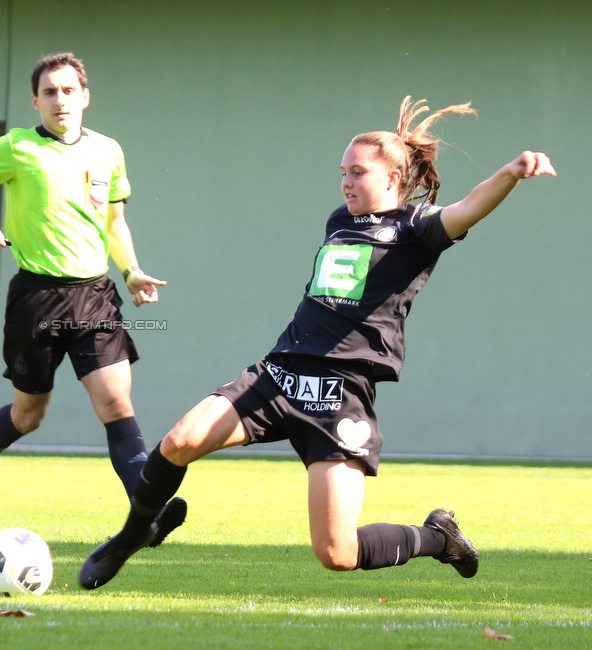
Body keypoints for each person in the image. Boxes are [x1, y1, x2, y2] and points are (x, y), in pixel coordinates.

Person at [79, 97, 556, 589]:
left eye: (358, 172)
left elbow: (469, 207)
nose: (346, 181)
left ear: (391, 179)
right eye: (343, 172)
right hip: (280, 372)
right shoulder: (340, 221)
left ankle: (436, 536)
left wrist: (511, 173)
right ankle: (130, 538)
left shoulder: (418, 229)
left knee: (337, 552)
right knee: (179, 442)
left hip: (339, 393)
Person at [0, 52, 187, 543]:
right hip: (35, 298)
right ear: (35, 100)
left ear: (85, 97)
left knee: (117, 405)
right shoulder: (14, 147)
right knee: (29, 416)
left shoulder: (108, 151)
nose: (60, 100)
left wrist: (132, 272)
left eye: (69, 90)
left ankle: (148, 517)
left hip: (95, 295)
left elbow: (114, 222)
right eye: (50, 92)